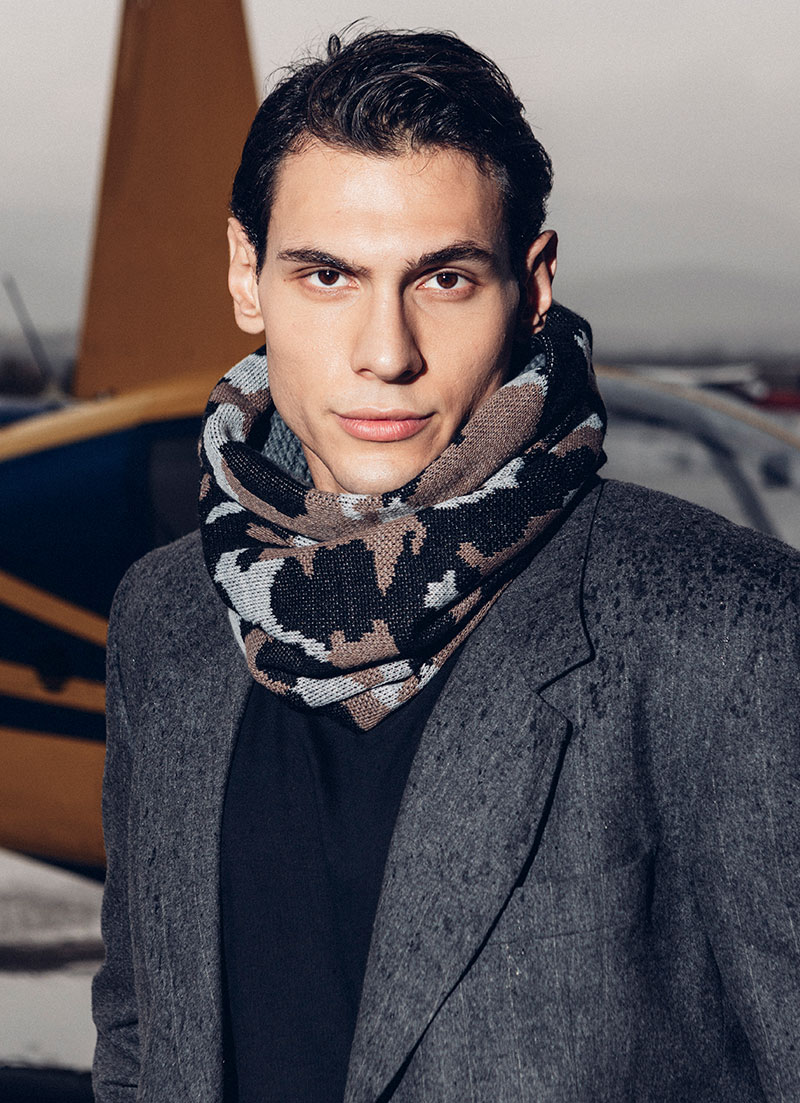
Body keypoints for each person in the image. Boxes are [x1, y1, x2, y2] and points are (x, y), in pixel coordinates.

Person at [91, 28, 800, 1103]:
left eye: (445, 278)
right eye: (326, 274)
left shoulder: (728, 629)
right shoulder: (165, 616)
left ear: (532, 283)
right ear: (246, 275)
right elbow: (143, 1030)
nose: (386, 352)